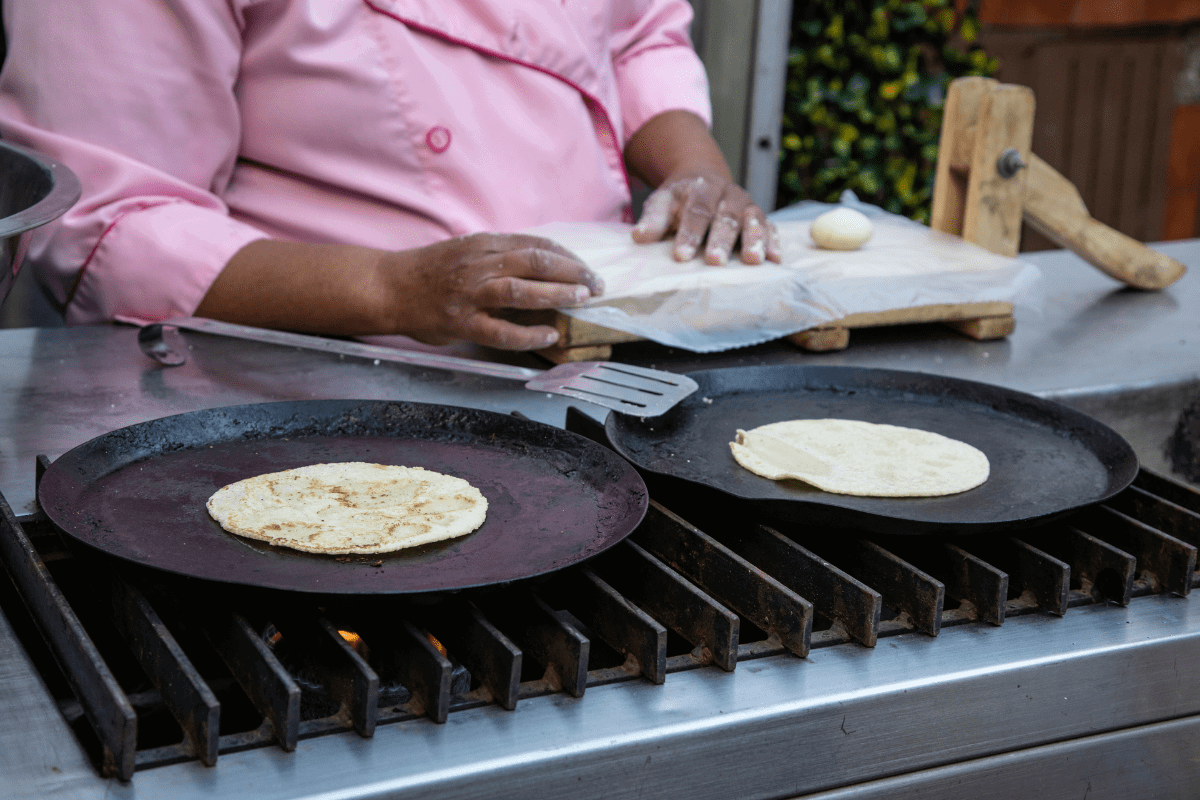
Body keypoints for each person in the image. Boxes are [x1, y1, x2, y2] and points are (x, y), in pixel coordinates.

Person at [0, 1, 781, 350]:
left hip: (594, 362)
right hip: (311, 399)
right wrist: (393, 289)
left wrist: (694, 170)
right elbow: (116, 218)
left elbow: (634, 35)